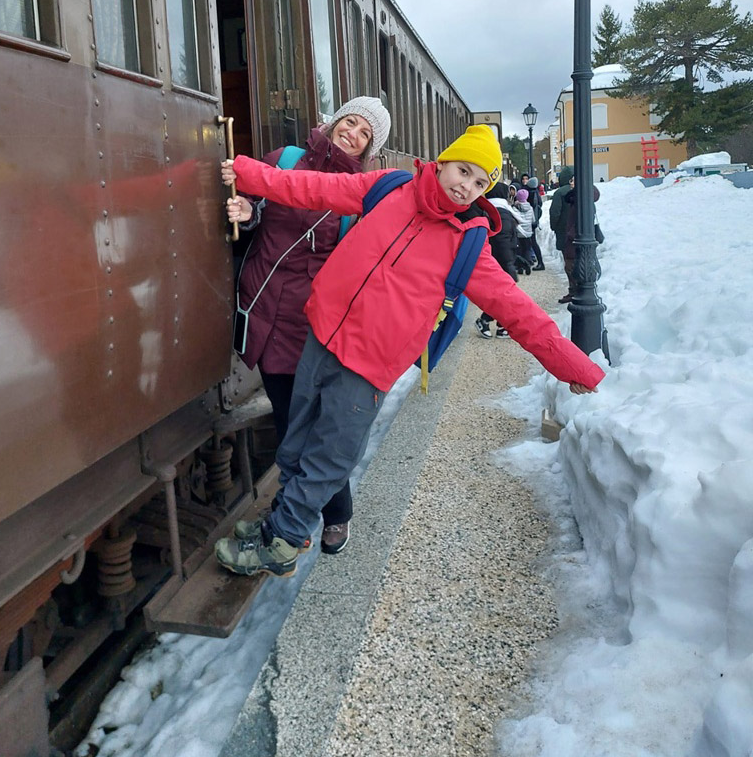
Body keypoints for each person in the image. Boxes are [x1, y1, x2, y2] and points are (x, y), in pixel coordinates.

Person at [214, 125, 605, 578]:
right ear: (441, 162)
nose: (466, 187)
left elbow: (520, 313)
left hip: (370, 365)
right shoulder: (386, 188)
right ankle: (283, 521)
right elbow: (308, 188)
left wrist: (575, 365)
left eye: (480, 182)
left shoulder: (468, 243)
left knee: (329, 456)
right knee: (296, 440)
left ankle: (282, 542)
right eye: (463, 171)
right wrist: (244, 172)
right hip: (321, 335)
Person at [229, 96, 391, 555]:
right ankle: (292, 513)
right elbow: (255, 200)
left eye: (365, 134)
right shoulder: (287, 159)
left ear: (367, 150)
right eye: (352, 122)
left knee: (316, 428)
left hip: (313, 323)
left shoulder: (363, 192)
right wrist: (247, 210)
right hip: (262, 308)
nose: (353, 134)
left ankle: (335, 513)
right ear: (337, 120)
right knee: (288, 424)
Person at [474, 181, 519, 339]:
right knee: (503, 294)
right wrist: (509, 264)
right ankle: (487, 321)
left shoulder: (485, 210)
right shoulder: (504, 212)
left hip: (492, 259)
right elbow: (505, 241)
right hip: (501, 261)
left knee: (501, 295)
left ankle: (499, 324)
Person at [549, 165, 574, 301]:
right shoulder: (582, 189)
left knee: (569, 262)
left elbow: (555, 213)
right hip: (580, 233)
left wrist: (554, 227)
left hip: (564, 232)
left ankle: (573, 290)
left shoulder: (560, 193)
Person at [525, 176, 545, 270]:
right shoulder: (536, 193)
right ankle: (538, 261)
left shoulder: (531, 193)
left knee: (531, 242)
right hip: (533, 221)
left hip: (529, 221)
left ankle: (539, 262)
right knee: (532, 242)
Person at [513, 188, 536, 273]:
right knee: (526, 249)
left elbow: (514, 220)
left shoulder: (515, 208)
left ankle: (520, 267)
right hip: (528, 233)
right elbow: (533, 220)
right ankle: (528, 264)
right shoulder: (530, 208)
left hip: (519, 232)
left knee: (519, 250)